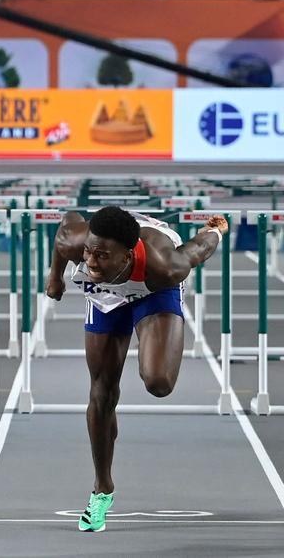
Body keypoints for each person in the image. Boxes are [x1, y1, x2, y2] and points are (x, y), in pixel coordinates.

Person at [45, 206, 228, 533]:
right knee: (101, 391)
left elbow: (197, 251)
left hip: (152, 292)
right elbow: (64, 232)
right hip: (104, 296)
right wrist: (54, 278)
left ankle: (150, 339)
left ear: (127, 255)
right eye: (88, 251)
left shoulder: (165, 267)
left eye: (101, 255)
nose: (89, 261)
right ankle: (102, 490)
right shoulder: (80, 244)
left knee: (159, 382)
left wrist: (214, 231)